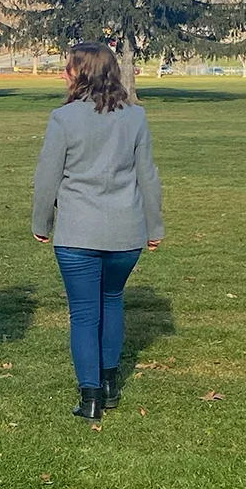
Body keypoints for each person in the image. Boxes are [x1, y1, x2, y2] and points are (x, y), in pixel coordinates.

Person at [32, 43, 164, 421]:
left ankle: (89, 398)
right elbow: (148, 177)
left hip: (77, 233)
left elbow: (47, 177)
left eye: (68, 68)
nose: (63, 75)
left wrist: (41, 223)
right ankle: (108, 385)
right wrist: (155, 227)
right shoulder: (135, 117)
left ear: (81, 74)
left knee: (85, 314)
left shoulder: (63, 118)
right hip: (126, 232)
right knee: (112, 301)